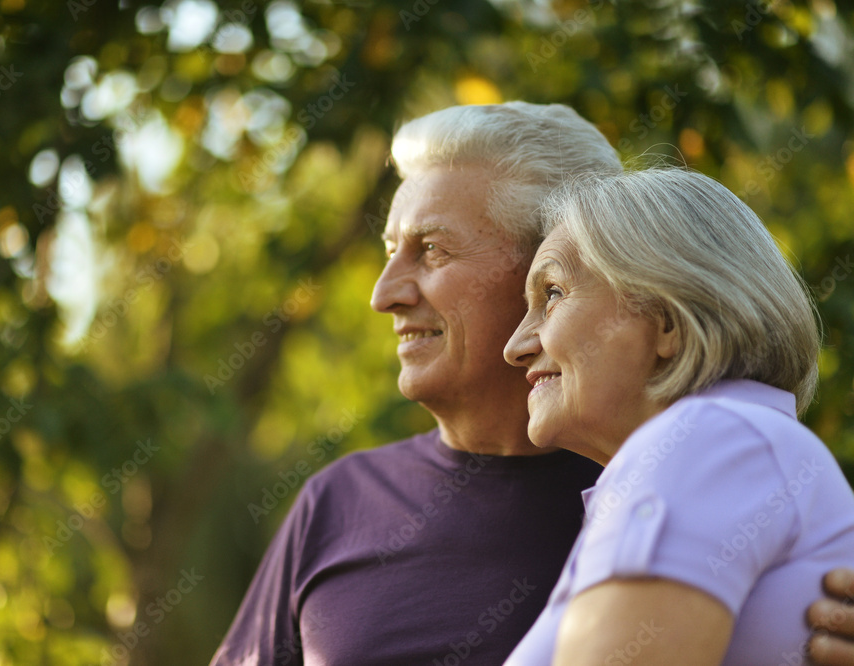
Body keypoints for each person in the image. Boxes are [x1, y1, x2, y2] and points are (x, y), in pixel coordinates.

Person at [210, 103, 854, 666]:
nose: (383, 295)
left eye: (432, 249)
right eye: (389, 251)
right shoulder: (337, 502)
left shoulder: (703, 455)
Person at [502, 167, 854, 665]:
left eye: (552, 294)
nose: (514, 346)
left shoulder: (711, 437)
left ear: (667, 317)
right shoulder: (734, 443)